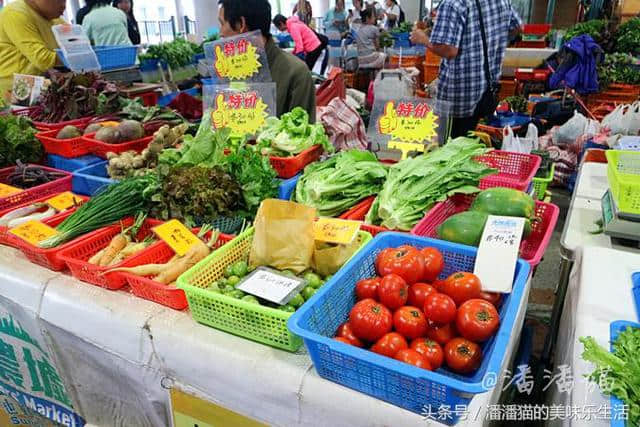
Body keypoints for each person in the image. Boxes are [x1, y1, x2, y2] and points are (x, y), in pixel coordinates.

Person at [411, 0, 521, 138]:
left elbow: (449, 50)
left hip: (459, 98)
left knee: (451, 148)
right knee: (473, 145)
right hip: (487, 90)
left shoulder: (454, 3)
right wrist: (494, 43)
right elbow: (517, 27)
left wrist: (423, 39)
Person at [218, 0, 316, 122]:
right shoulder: (231, 70)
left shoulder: (296, 74)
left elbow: (303, 135)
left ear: (241, 24)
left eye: (222, 24)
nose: (220, 33)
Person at [0, 0, 65, 100]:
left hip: (44, 86)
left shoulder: (55, 20)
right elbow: (44, 60)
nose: (64, 5)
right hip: (17, 90)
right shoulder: (15, 13)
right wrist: (77, 57)